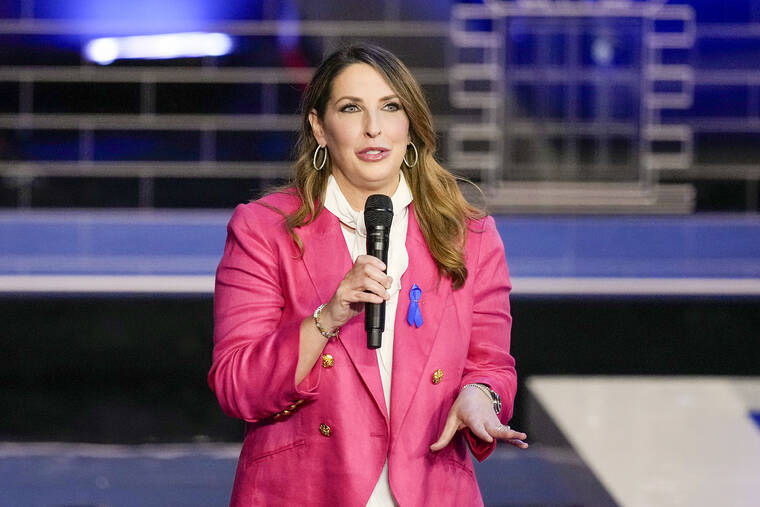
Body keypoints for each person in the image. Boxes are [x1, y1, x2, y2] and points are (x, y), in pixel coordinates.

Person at [208, 43, 527, 507]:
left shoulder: (470, 235)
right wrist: (328, 317)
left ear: (410, 124)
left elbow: (491, 365)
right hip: (305, 491)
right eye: (351, 108)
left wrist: (481, 396)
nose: (373, 127)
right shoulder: (263, 229)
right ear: (319, 127)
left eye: (390, 107)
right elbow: (237, 386)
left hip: (430, 488)